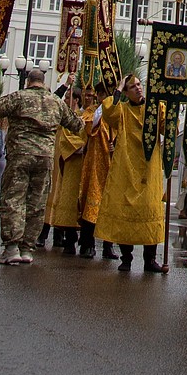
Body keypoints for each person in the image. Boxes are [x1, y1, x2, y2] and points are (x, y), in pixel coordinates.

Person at [0, 70, 84, 266]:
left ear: (28, 81)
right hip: (45, 158)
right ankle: (27, 249)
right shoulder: (56, 102)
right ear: (42, 81)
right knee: (37, 203)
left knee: (14, 199)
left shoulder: (19, 97)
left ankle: (11, 247)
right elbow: (76, 125)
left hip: (20, 155)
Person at [96, 73, 170, 274]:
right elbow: (108, 112)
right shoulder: (122, 110)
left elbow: (167, 127)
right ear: (127, 92)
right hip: (127, 165)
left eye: (139, 84)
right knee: (125, 209)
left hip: (149, 165)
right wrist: (118, 88)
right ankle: (126, 258)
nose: (137, 88)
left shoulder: (154, 108)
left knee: (150, 208)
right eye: (132, 86)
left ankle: (150, 259)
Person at [48, 88, 91, 256]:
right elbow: (67, 138)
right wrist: (83, 146)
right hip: (73, 163)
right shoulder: (68, 116)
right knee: (69, 201)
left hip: (88, 164)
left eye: (90, 96)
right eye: (66, 97)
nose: (66, 100)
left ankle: (87, 241)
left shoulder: (91, 114)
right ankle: (69, 239)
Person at [78, 84, 116, 260]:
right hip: (94, 163)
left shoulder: (118, 111)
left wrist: (114, 144)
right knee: (91, 203)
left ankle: (108, 246)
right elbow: (89, 127)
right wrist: (103, 108)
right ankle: (87, 244)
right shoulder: (91, 111)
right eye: (103, 94)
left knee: (110, 205)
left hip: (112, 163)